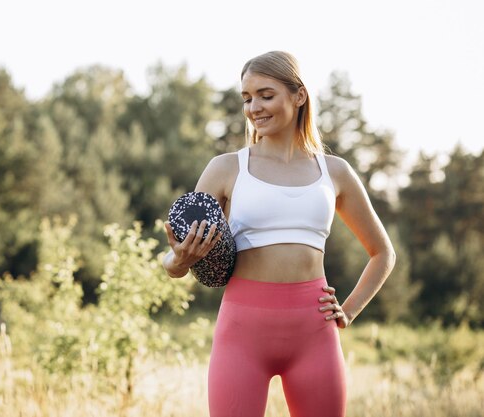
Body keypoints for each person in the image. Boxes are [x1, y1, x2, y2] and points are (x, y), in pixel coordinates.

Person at [162, 51, 396, 417]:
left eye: (265, 95)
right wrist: (177, 261)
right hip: (241, 335)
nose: (254, 107)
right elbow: (174, 262)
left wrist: (348, 311)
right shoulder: (226, 168)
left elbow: (383, 253)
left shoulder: (334, 172)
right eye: (247, 98)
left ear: (298, 95)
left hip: (314, 335)